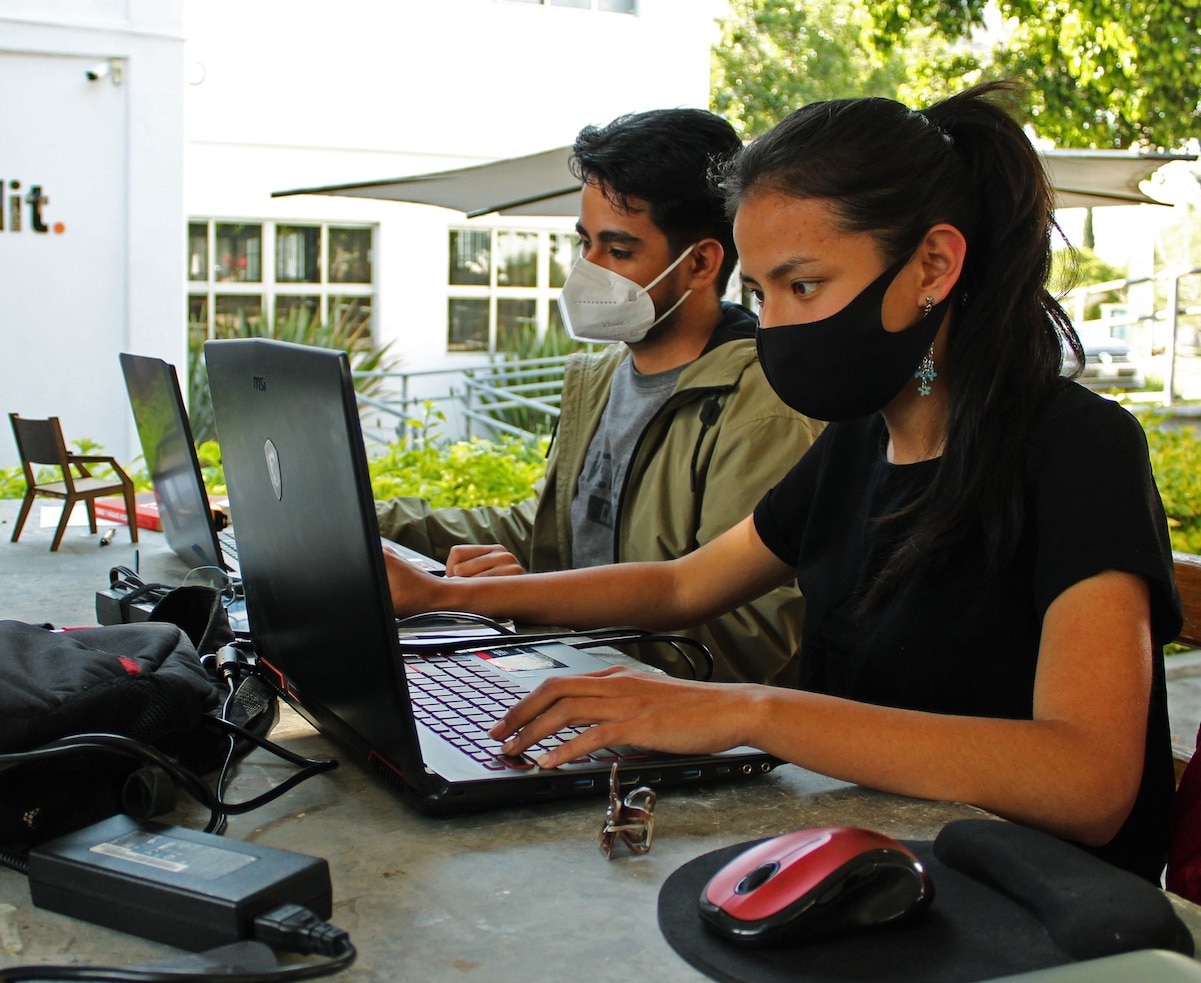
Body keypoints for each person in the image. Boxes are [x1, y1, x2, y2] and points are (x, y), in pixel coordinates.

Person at [382, 80, 1181, 883]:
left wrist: (747, 711)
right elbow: (678, 587)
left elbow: (1088, 781)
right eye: (759, 294)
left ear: (933, 263)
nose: (773, 327)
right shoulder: (858, 443)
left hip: (1032, 908)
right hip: (863, 864)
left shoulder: (1080, 450)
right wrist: (449, 599)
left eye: (803, 286)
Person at [377, 108, 822, 685]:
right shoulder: (605, 377)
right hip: (567, 685)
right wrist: (371, 522)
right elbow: (547, 538)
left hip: (666, 737)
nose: (587, 270)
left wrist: (521, 610)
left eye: (618, 250)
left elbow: (744, 641)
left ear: (702, 263)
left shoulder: (763, 408)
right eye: (585, 243)